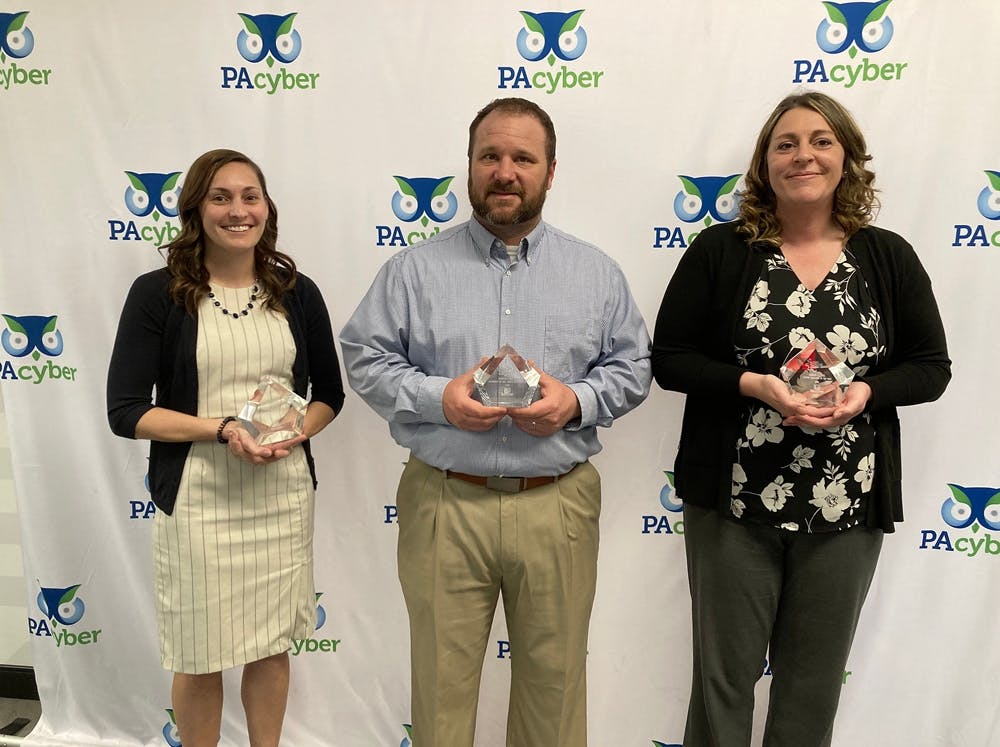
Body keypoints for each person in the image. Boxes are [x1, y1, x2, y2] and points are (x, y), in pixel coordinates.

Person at [340, 97, 651, 746]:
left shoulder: (596, 274)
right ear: (471, 167)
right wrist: (435, 397)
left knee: (554, 694)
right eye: (490, 156)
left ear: (551, 171)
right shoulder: (413, 271)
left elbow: (632, 369)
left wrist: (577, 401)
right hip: (444, 502)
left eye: (522, 158)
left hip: (556, 503)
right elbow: (363, 357)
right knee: (441, 691)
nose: (504, 170)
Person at [652, 91, 951, 745]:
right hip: (732, 503)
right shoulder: (720, 252)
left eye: (820, 140)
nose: (803, 155)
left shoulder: (885, 256)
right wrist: (756, 384)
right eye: (785, 143)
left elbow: (931, 367)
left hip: (846, 507)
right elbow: (670, 359)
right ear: (765, 163)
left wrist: (864, 393)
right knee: (721, 682)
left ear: (846, 157)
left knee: (810, 685)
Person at [107, 149, 344, 747]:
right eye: (220, 197)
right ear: (196, 209)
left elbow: (328, 395)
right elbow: (127, 411)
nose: (238, 210)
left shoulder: (297, 291)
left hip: (280, 497)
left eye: (250, 196)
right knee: (198, 652)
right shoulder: (157, 294)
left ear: (267, 207)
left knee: (269, 649)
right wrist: (221, 428)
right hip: (198, 500)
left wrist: (293, 434)